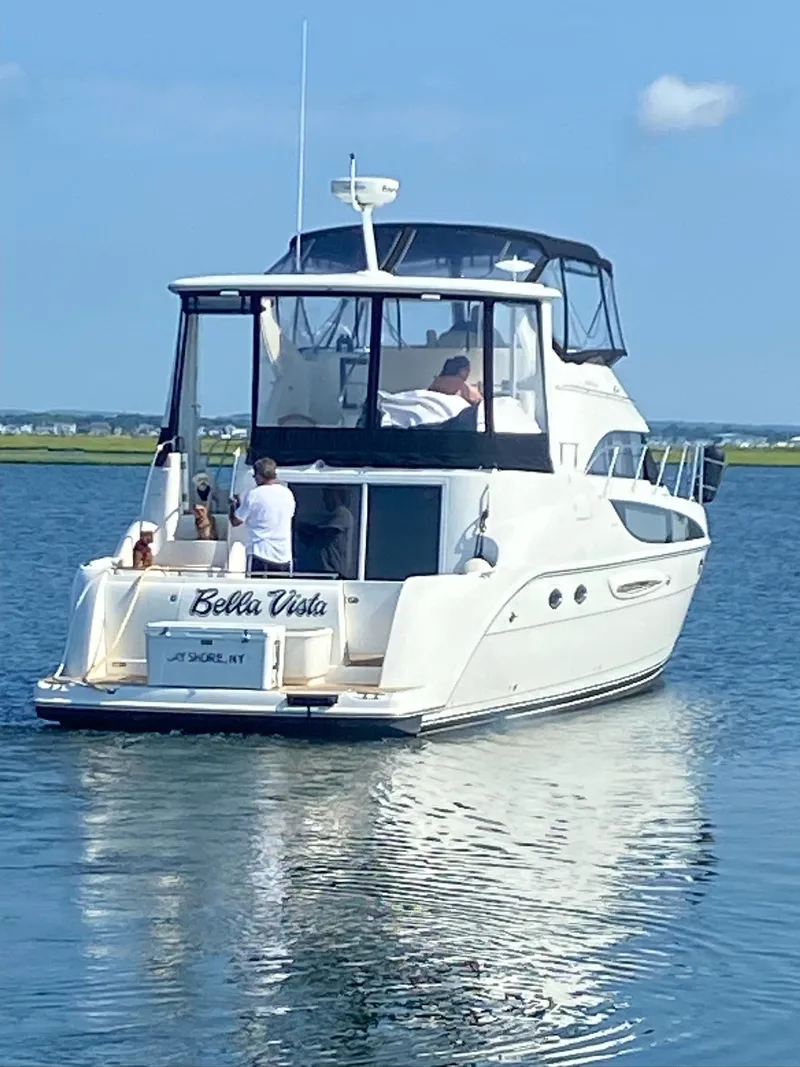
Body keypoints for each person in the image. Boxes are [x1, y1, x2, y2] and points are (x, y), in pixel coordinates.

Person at [229, 457, 296, 575]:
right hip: (284, 557)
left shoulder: (254, 494)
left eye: (255, 476)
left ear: (259, 475)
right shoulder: (288, 494)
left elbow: (236, 521)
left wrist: (234, 505)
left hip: (260, 554)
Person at [295, 487, 355, 577]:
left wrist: (307, 528)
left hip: (334, 571)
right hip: (323, 569)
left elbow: (328, 532)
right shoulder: (333, 516)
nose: (324, 500)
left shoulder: (343, 513)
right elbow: (314, 540)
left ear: (335, 496)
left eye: (326, 497)